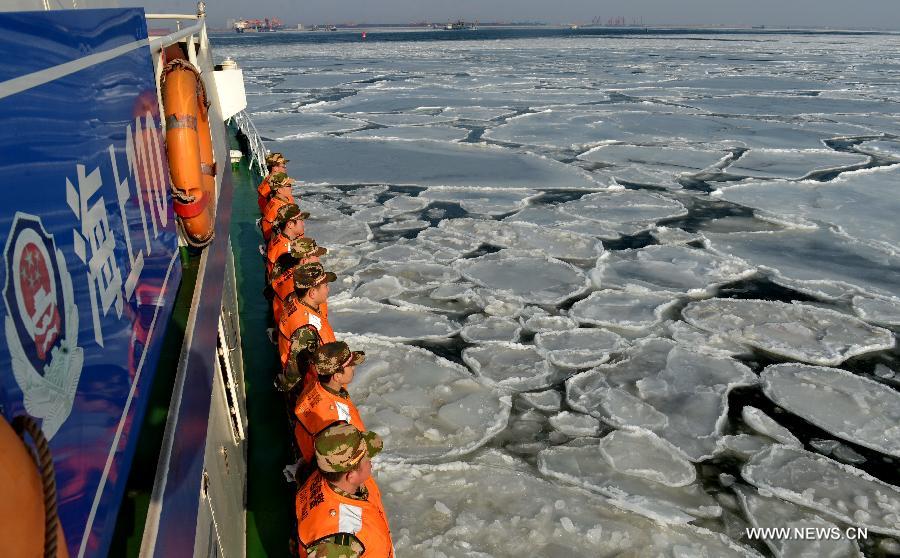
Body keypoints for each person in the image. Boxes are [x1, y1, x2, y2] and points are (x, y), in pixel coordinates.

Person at [295, 423, 394, 558]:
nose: (371, 462)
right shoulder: (342, 536)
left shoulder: (322, 476)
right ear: (351, 476)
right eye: (367, 459)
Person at [293, 341, 366, 467]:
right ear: (337, 376)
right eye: (350, 365)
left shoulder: (316, 385)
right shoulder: (336, 416)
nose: (354, 368)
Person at [278, 262, 336, 370]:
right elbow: (296, 369)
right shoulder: (306, 329)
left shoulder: (295, 303)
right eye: (326, 286)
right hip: (306, 384)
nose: (328, 289)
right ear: (312, 293)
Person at [271, 237, 327, 321]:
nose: (318, 259)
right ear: (304, 261)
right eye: (315, 256)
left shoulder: (290, 273)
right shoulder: (299, 285)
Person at [265, 203, 309, 276]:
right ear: (290, 224)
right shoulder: (288, 250)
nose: (303, 224)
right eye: (301, 220)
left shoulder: (278, 237)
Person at [260, 172, 296, 242]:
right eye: (288, 186)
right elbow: (272, 234)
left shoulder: (283, 200)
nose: (291, 188)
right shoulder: (276, 207)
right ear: (279, 190)